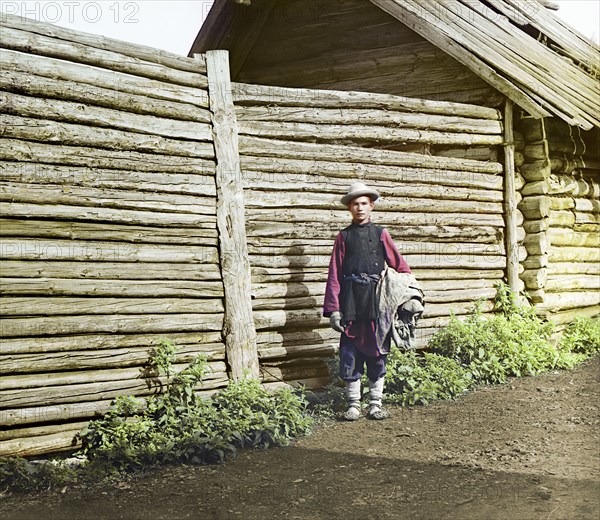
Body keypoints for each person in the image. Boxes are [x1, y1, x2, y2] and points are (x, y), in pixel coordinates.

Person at [323, 182, 413, 421]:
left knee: (377, 350)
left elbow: (400, 266)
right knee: (350, 351)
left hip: (376, 300)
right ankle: (353, 404)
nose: (360, 208)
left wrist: (408, 296)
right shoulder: (343, 238)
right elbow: (334, 273)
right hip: (351, 300)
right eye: (355, 204)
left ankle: (375, 403)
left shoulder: (380, 233)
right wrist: (334, 310)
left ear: (371, 206)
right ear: (349, 208)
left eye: (364, 203)